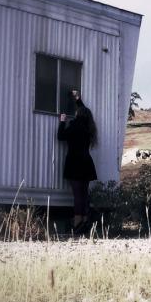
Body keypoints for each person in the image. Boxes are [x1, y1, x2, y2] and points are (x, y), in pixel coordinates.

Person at [57, 90, 98, 233]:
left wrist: (62, 121)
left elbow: (61, 137)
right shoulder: (88, 127)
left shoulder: (74, 126)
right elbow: (84, 111)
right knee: (84, 194)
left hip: (75, 163)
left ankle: (77, 222)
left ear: (78, 114)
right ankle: (85, 221)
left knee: (77, 195)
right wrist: (78, 99)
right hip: (86, 163)